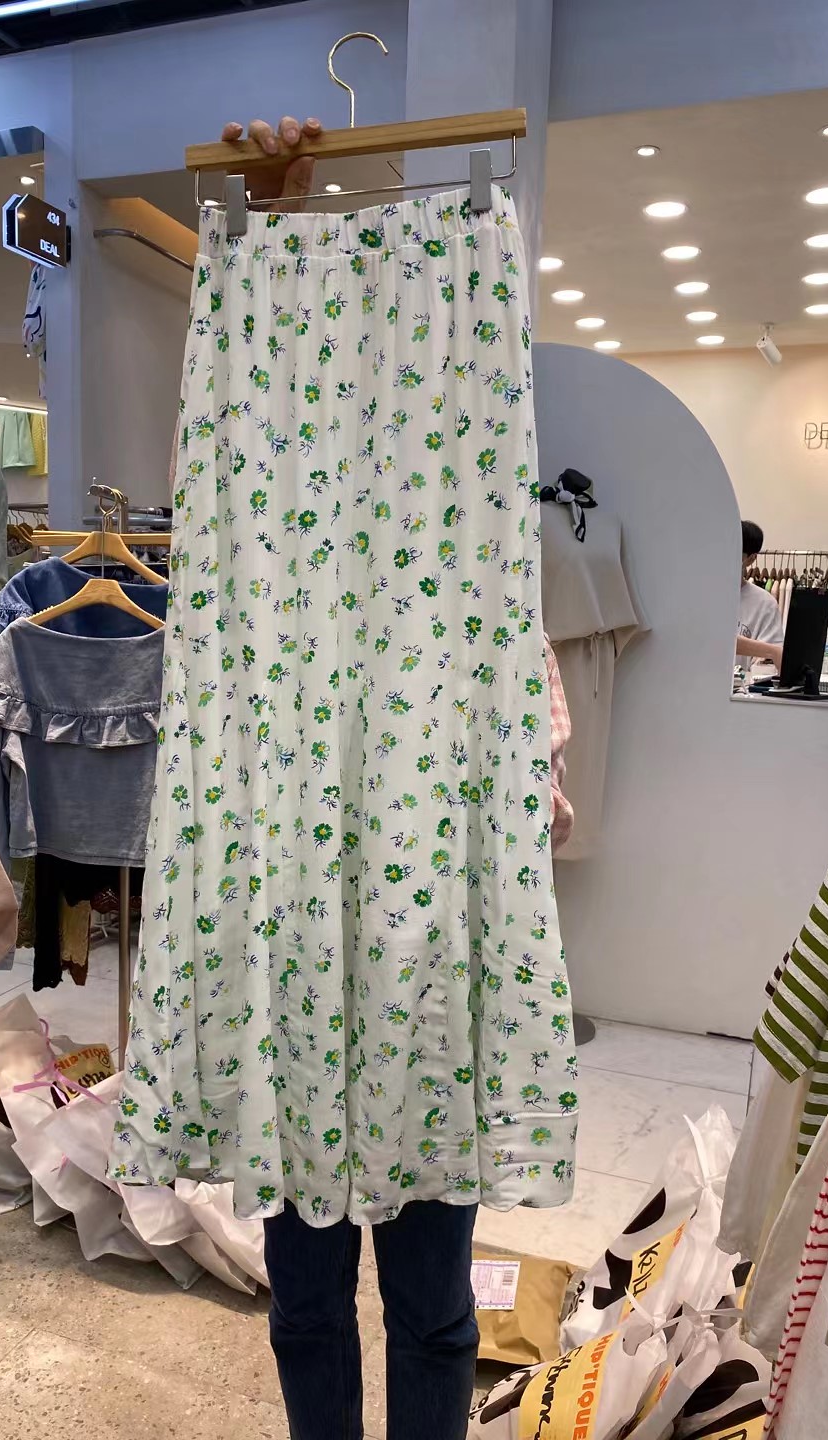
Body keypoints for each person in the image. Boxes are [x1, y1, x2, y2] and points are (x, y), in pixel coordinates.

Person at [210, 113, 576, 1440]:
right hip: (297, 981)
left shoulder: (478, 603)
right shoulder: (268, 587)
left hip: (427, 995)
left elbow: (528, 819)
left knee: (428, 1311)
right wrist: (275, 208)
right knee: (309, 1304)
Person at [736, 519, 783, 674]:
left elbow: (766, 663)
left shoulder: (765, 603)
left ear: (751, 559)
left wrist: (771, 652)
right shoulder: (701, 596)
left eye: (735, 551)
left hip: (740, 687)